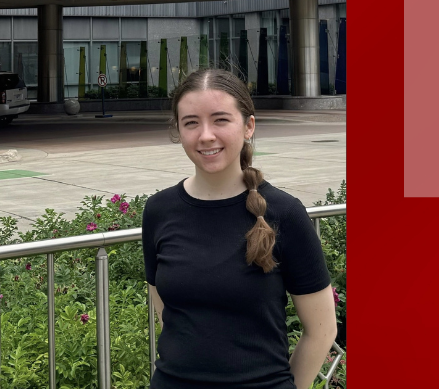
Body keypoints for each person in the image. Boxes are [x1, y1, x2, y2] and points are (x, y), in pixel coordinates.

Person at [143, 68, 337, 389]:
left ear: (248, 127)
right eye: (191, 122)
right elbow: (169, 314)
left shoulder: (285, 213)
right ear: (178, 130)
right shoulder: (159, 210)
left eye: (220, 119)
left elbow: (321, 330)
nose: (205, 135)